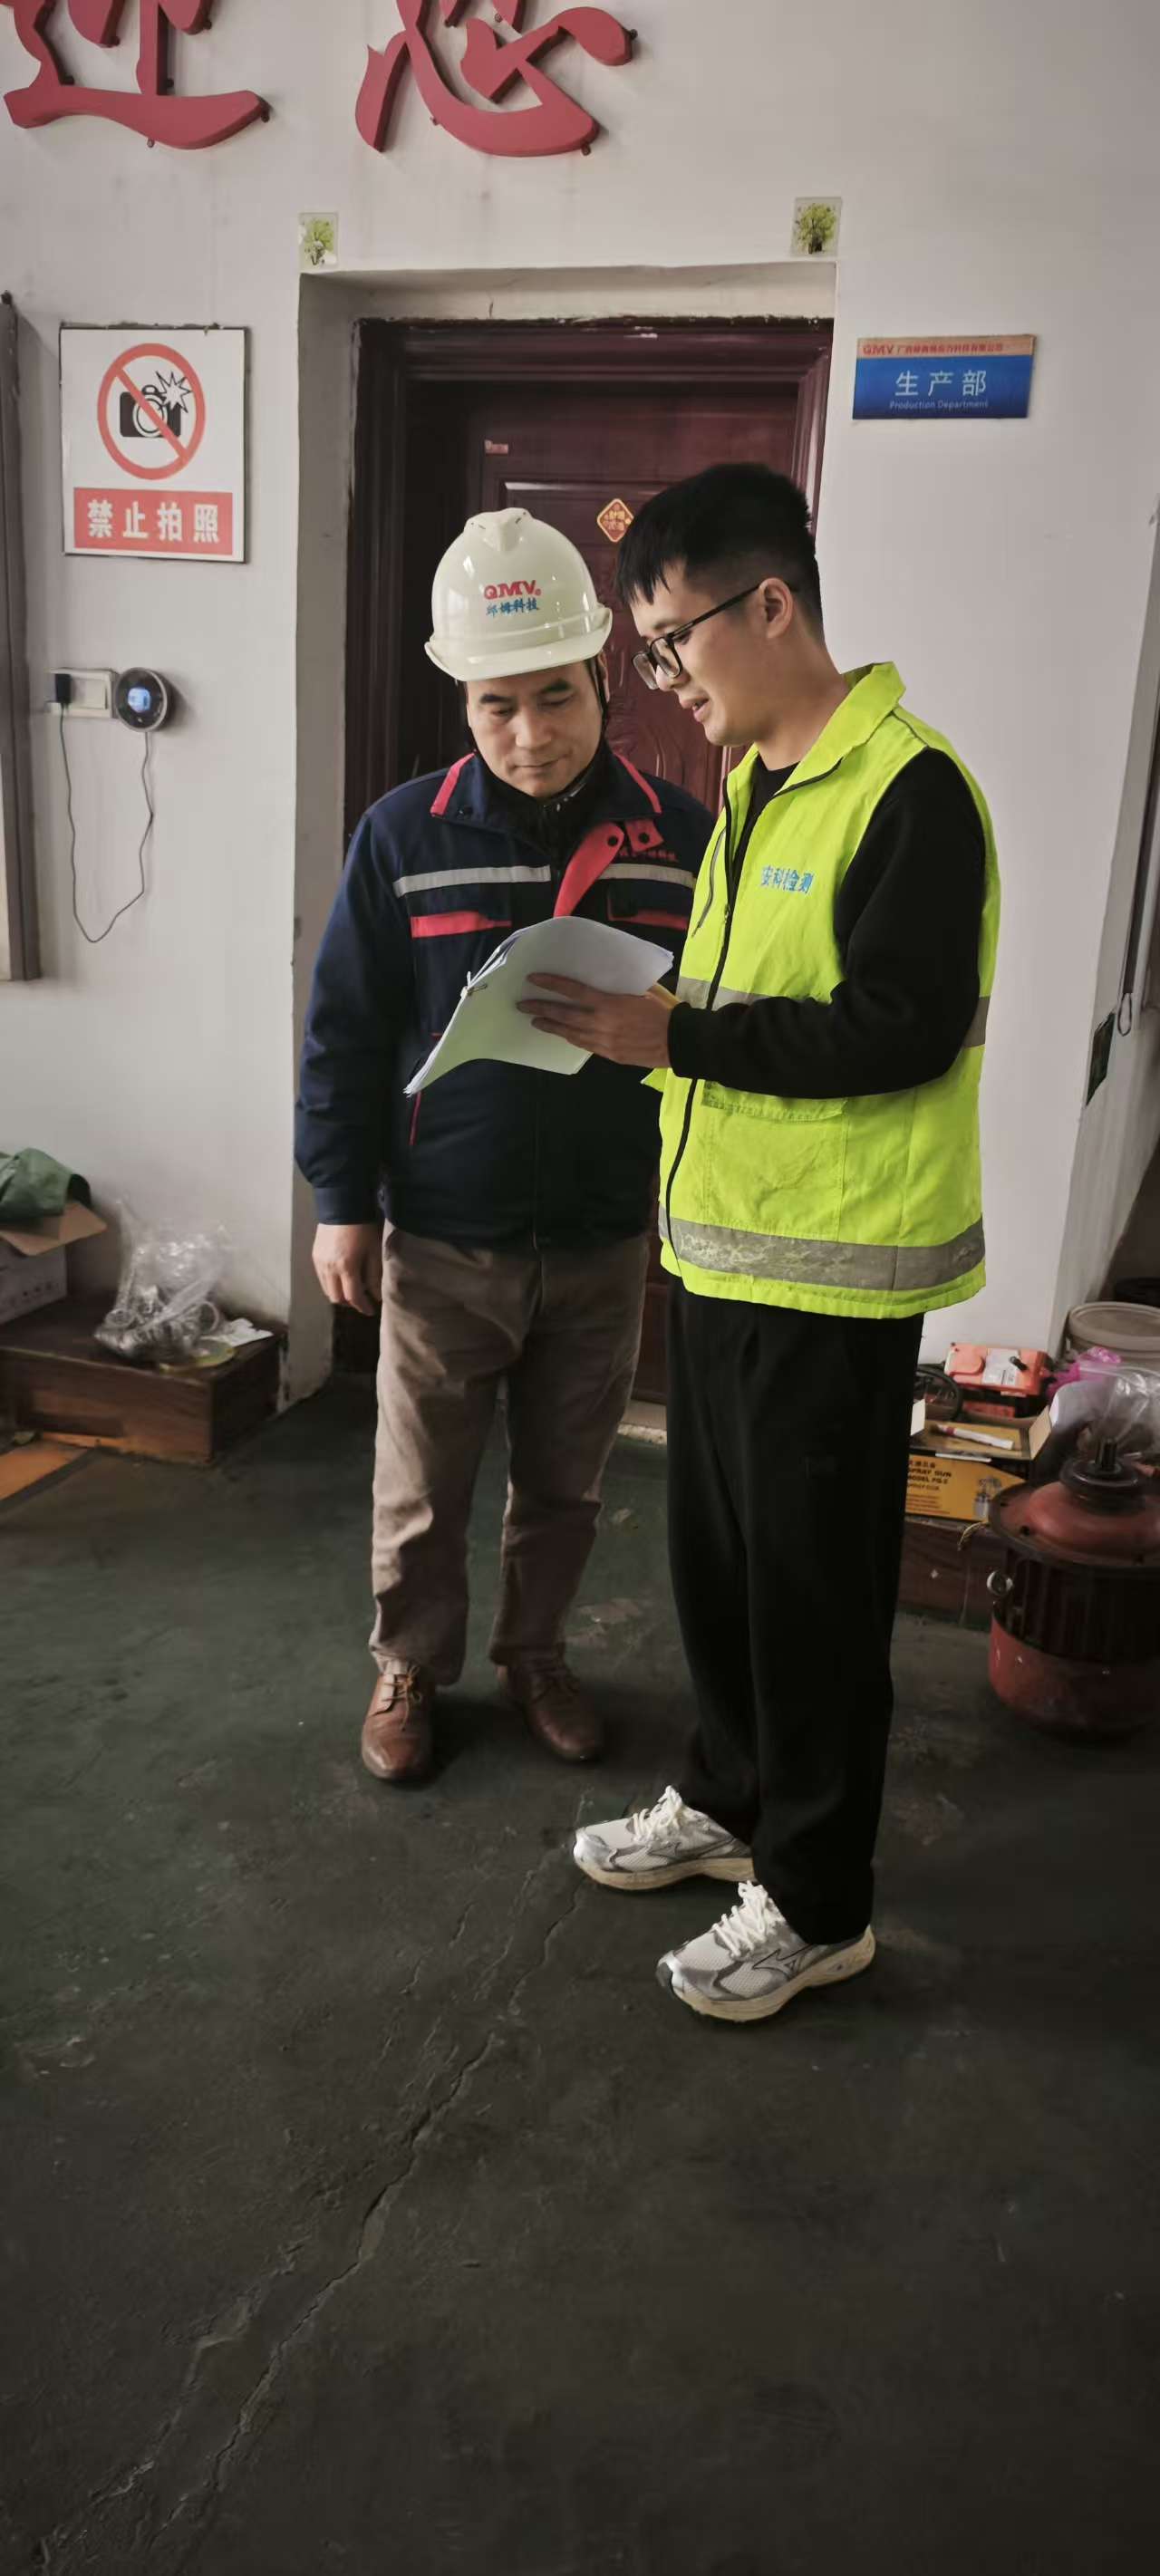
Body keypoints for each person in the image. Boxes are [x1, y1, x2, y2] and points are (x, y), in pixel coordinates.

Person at [523, 463, 1000, 2024]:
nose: (665, 677)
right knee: (721, 1571)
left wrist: (675, 1037)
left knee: (814, 1602)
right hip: (726, 1253)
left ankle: (817, 1902)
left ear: (772, 603)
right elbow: (745, 1006)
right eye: (652, 650)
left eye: (674, 640)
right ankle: (731, 1801)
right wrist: (661, 1020)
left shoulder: (910, 792)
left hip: (834, 1277)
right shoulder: (756, 785)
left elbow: (899, 1027)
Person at [296, 508, 708, 1785]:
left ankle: (538, 1656)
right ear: (463, 703)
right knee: (423, 1487)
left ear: (602, 678)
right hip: (443, 1232)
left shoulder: (682, 840)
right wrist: (340, 1201)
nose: (531, 734)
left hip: (602, 1229)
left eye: (555, 697)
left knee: (568, 1483)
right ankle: (410, 1666)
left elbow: (723, 1024)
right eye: (497, 707)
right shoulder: (402, 837)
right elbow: (345, 1031)